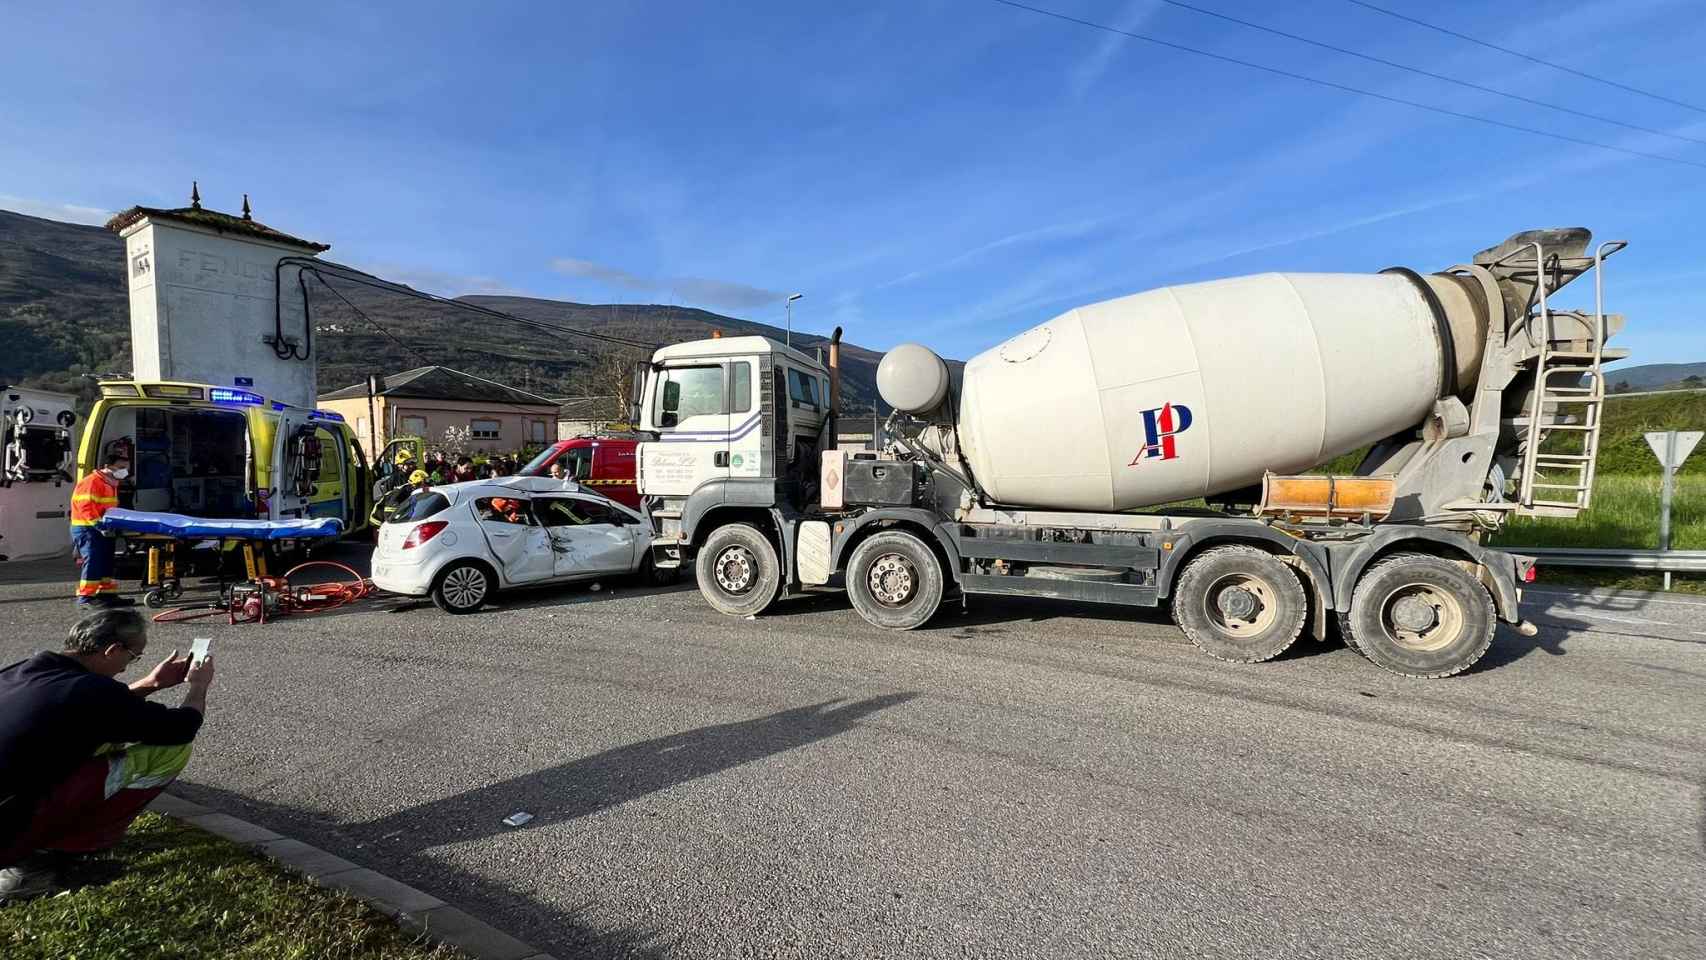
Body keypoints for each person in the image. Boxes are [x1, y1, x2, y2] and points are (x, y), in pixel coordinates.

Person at [0, 609, 214, 901]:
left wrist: (150, 684)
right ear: (112, 650)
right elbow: (182, 728)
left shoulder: (25, 669)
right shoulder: (93, 693)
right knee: (171, 752)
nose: (127, 668)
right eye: (132, 657)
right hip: (10, 828)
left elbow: (98, 710)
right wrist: (198, 685)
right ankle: (53, 854)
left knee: (103, 741)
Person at [69, 448, 133, 608]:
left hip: (102, 528)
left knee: (105, 561)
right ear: (108, 466)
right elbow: (86, 507)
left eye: (126, 468)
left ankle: (105, 594)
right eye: (120, 468)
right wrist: (98, 524)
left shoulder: (110, 483)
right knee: (93, 561)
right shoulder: (92, 482)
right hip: (87, 528)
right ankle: (85, 598)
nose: (124, 471)